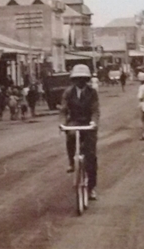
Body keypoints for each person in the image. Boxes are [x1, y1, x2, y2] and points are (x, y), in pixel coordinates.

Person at [61, 64, 101, 201]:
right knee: (70, 136)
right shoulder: (68, 92)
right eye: (77, 78)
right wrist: (62, 123)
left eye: (83, 78)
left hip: (89, 123)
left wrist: (93, 122)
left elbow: (95, 110)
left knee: (91, 157)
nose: (80, 81)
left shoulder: (92, 92)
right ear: (73, 79)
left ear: (87, 79)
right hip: (74, 121)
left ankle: (91, 188)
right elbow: (63, 110)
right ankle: (72, 162)